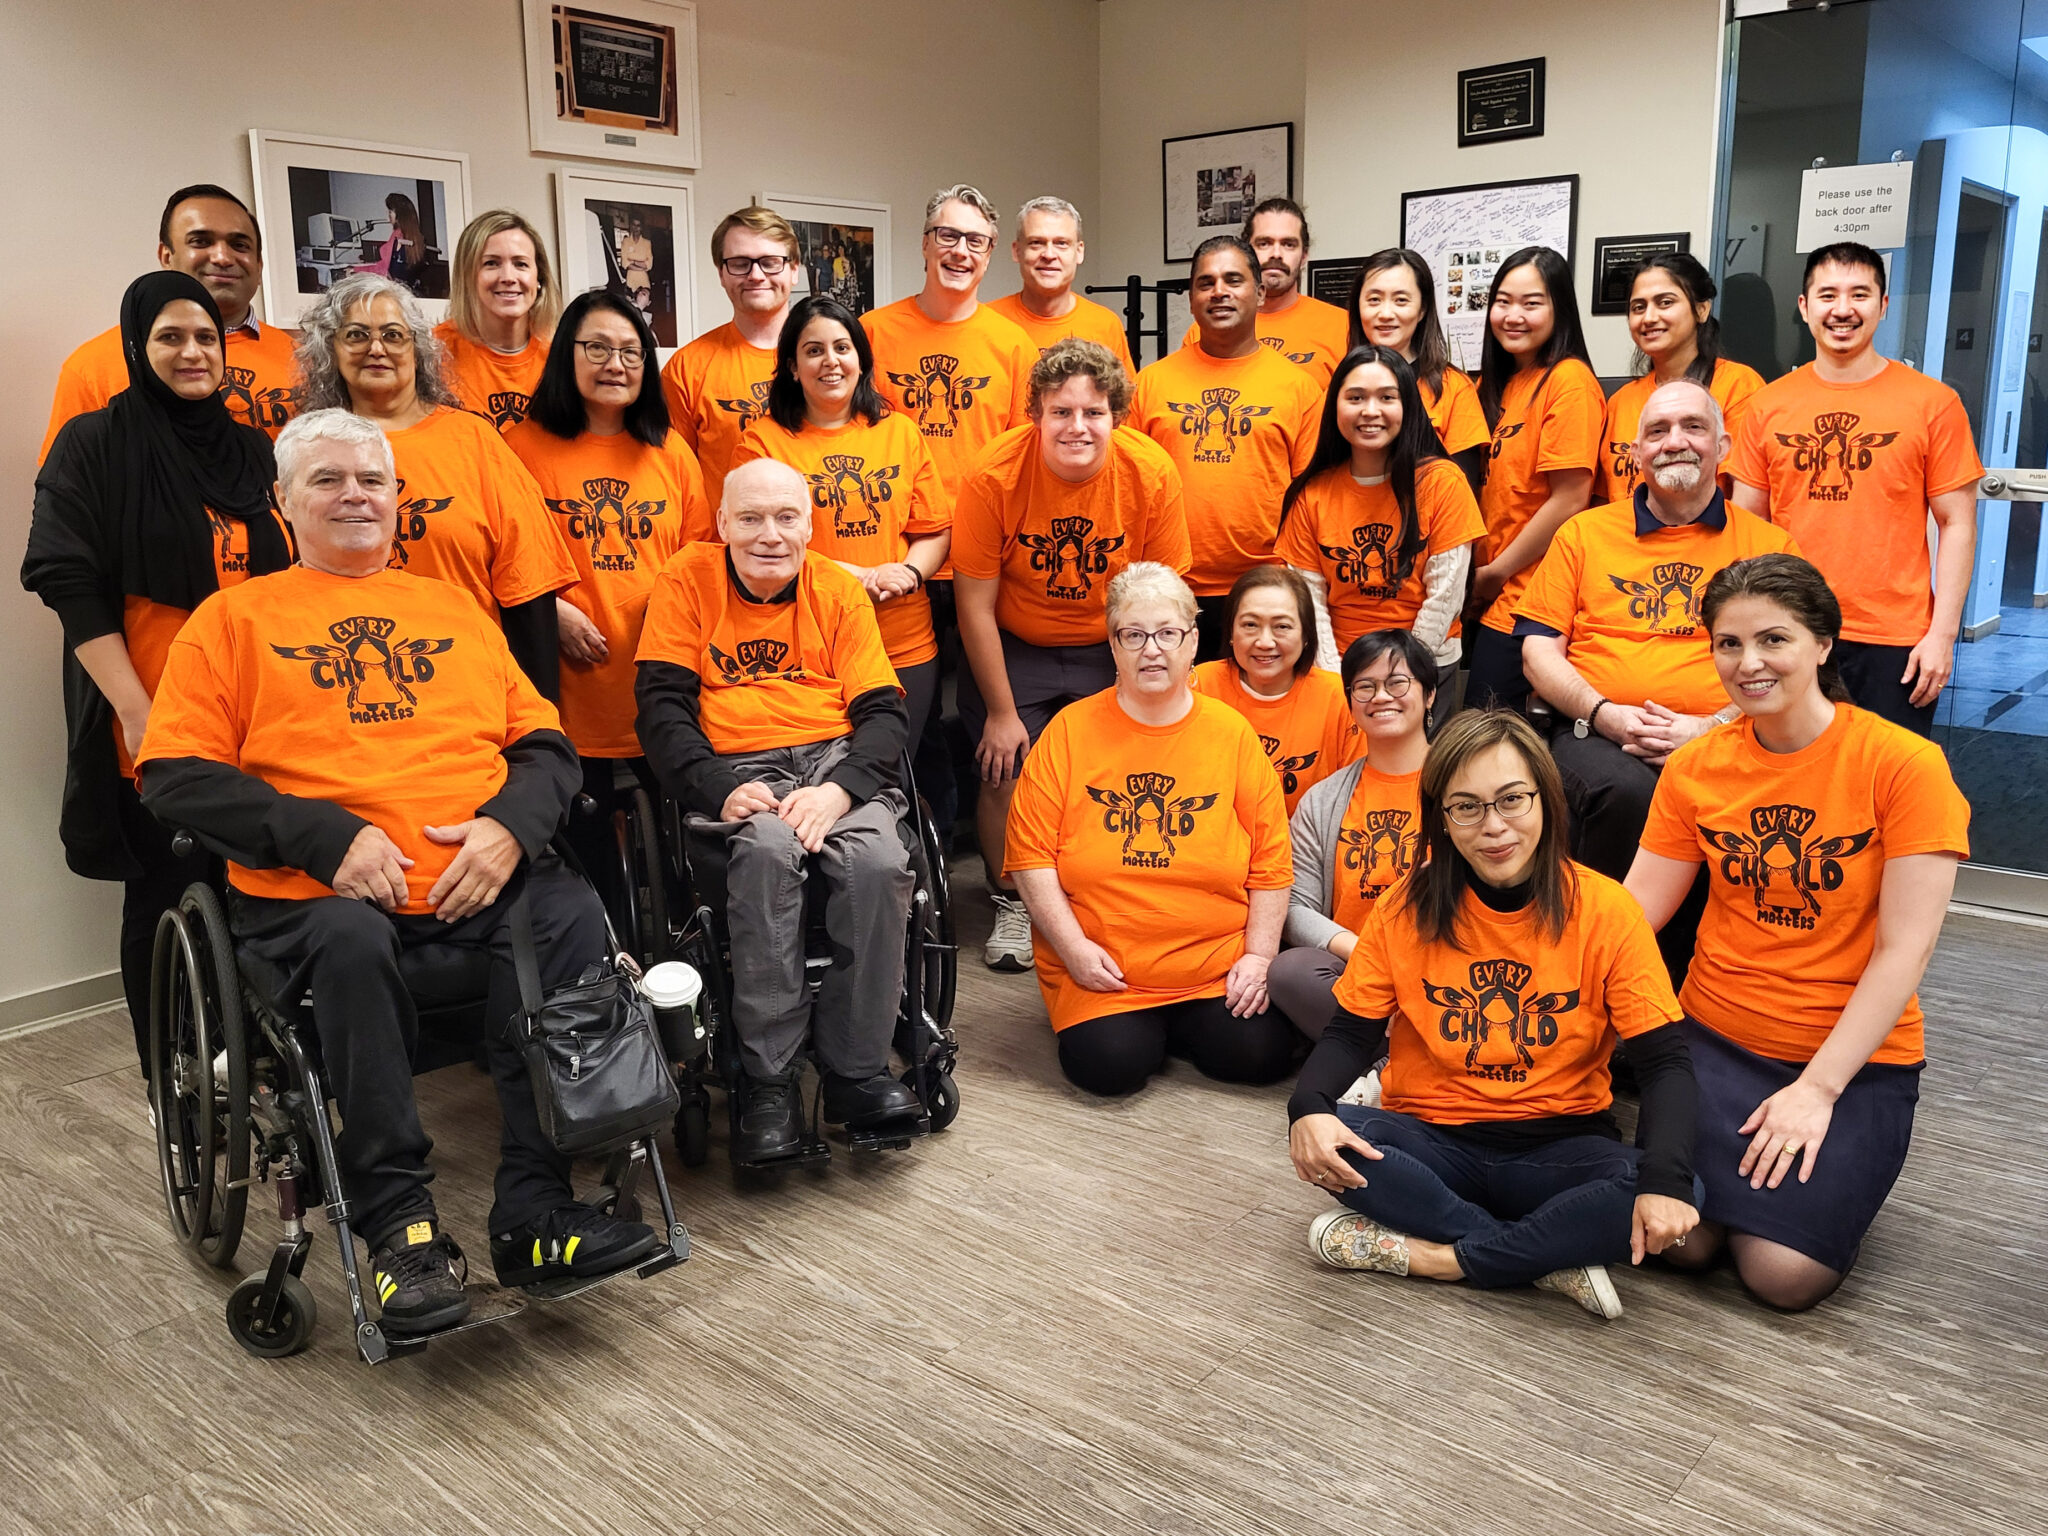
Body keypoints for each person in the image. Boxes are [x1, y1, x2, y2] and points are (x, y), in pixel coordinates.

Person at [135, 408, 660, 1333]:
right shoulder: (233, 620)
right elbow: (174, 776)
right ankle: (402, 1232)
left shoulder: (454, 608)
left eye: (371, 481)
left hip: (479, 878)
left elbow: (544, 744)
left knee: (571, 912)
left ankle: (535, 1212)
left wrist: (507, 829)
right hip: (322, 900)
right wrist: (322, 838)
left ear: (396, 499)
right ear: (283, 503)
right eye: (328, 480)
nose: (354, 496)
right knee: (347, 940)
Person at [1626, 553, 1968, 1310]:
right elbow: (1632, 913)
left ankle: (1821, 1182)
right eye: (1728, 644)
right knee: (1679, 1242)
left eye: (1772, 639)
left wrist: (1817, 1090)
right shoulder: (1695, 770)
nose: (1748, 664)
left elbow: (1903, 950)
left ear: (1822, 644)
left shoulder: (1905, 766)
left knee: (1782, 1275)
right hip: (1713, 1037)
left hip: (1850, 1056)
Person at [1288, 710, 1700, 1321]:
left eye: (1512, 800)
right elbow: (1353, 1030)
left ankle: (1439, 1256)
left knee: (1677, 1187)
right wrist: (1307, 1110)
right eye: (1467, 807)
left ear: (1545, 799)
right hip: (1433, 1137)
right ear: (1442, 819)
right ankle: (1548, 1255)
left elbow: (1664, 1062)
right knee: (1337, 1140)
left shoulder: (1608, 911)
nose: (1495, 827)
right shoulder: (1405, 906)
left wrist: (1665, 1183)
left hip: (1559, 1144)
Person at [22, 271, 295, 1078]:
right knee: (168, 894)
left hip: (259, 714)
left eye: (206, 337)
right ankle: (172, 1074)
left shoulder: (250, 448)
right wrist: (137, 714)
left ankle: (257, 1064)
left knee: (257, 888)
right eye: (170, 337)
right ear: (137, 347)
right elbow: (65, 579)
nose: (192, 352)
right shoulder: (95, 443)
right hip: (154, 707)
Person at [635, 459, 924, 1164]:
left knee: (883, 863)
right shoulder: (685, 580)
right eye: (752, 518)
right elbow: (662, 708)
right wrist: (712, 786)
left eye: (787, 517)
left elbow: (883, 716)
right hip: (737, 767)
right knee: (766, 856)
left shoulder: (836, 589)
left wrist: (839, 791)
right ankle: (768, 1081)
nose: (771, 534)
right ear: (723, 524)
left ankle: (856, 1070)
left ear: (810, 523)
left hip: (833, 763)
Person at [1517, 379, 1797, 977]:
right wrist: (1604, 713)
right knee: (1635, 796)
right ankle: (1610, 979)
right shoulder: (1584, 534)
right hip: (1596, 732)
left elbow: (1787, 663)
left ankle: (1691, 992)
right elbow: (1538, 650)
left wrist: (1710, 728)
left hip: (1732, 736)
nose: (1676, 442)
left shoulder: (1768, 548)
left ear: (1723, 446)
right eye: (1657, 432)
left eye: (1693, 427)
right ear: (1636, 454)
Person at [1005, 563, 1299, 1096]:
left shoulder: (1232, 733)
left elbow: (1271, 862)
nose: (1152, 650)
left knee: (1262, 1056)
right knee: (1108, 1067)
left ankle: (1175, 1025)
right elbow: (1030, 857)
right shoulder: (1067, 732)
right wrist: (1072, 948)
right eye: (1133, 635)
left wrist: (1258, 957)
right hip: (1105, 968)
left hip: (1215, 963)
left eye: (1168, 633)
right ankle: (1147, 1027)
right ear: (1112, 645)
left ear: (1193, 642)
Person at [952, 339, 1190, 971]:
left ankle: (1099, 894)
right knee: (1004, 766)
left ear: (1118, 416)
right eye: (1061, 412)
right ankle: (1011, 901)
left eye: (1094, 412)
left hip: (1110, 643)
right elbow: (973, 605)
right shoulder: (992, 475)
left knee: (1116, 773)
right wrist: (1002, 714)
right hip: (1015, 642)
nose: (1077, 427)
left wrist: (1146, 678)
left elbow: (1165, 598)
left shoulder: (1151, 472)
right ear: (1035, 414)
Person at [505, 291, 709, 905]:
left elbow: (700, 558)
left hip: (660, 672)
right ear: (567, 354)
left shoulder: (670, 450)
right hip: (569, 674)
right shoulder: (521, 448)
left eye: (630, 351)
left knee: (681, 853)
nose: (614, 363)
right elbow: (506, 558)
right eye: (596, 348)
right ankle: (607, 974)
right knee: (588, 852)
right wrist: (553, 612)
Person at [1728, 242, 1983, 735]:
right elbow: (1748, 528)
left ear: (1883, 305)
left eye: (1859, 294)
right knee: (1796, 779)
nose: (1842, 309)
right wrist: (1745, 632)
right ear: (1804, 307)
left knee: (1887, 787)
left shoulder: (1933, 403)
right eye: (1827, 295)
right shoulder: (1766, 406)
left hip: (1896, 640)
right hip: (1790, 627)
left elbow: (1957, 523)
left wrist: (1942, 635)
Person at [296, 273, 576, 700]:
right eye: (356, 335)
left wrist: (540, 732)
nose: (376, 348)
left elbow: (529, 591)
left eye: (393, 335)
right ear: (329, 349)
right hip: (349, 692)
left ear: (418, 349)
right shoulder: (306, 448)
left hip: (468, 687)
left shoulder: (474, 442)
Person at [730, 295, 949, 748]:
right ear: (792, 366)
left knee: (900, 773)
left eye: (842, 348)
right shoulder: (763, 442)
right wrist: (861, 577)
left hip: (902, 638)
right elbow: (759, 545)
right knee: (828, 778)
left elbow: (932, 530)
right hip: (812, 643)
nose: (830, 361)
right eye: (813, 350)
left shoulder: (900, 432)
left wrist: (907, 573)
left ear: (861, 359)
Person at [1129, 235, 1321, 658]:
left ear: (1260, 291)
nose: (1219, 291)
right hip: (1169, 588)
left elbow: (1312, 499)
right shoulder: (1150, 384)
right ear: (1192, 297)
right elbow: (1128, 489)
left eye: (1234, 280)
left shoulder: (1299, 388)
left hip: (1265, 592)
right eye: (1206, 282)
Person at [1274, 345, 1485, 690]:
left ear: (1408, 407)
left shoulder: (1442, 483)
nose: (1370, 411)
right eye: (1355, 398)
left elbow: (1445, 598)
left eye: (1387, 398)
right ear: (1335, 406)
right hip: (1338, 663)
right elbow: (1308, 600)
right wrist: (1336, 679)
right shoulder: (1311, 492)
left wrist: (1400, 677)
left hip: (1424, 662)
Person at [42, 184, 301, 458]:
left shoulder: (307, 361)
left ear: (259, 266)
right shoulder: (92, 367)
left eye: (239, 245)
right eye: (200, 241)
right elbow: (67, 488)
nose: (223, 257)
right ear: (166, 256)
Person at [1270, 630, 1436, 1044]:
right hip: (1358, 969)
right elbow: (1294, 907)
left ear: (1430, 694)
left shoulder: (1464, 785)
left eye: (1397, 683)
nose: (1381, 697)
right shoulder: (1323, 800)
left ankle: (1387, 1058)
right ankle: (1401, 1057)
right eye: (1365, 687)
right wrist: (1359, 949)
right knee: (1290, 971)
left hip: (1441, 968)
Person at [1467, 247, 1606, 712]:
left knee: (1485, 736)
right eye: (1502, 302)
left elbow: (1570, 499)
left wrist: (1495, 573)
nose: (1513, 316)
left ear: (1558, 308)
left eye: (1532, 303)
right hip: (1487, 591)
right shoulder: (1498, 382)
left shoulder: (1569, 382)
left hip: (1526, 596)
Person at [862, 184, 1034, 536]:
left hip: (981, 543)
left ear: (988, 255)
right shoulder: (870, 333)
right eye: (948, 236)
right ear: (925, 243)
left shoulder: (1014, 345)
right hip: (891, 543)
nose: (960, 251)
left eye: (975, 241)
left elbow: (1023, 460)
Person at [659, 207, 800, 507]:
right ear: (721, 274)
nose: (756, 275)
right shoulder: (687, 368)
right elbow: (672, 478)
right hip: (725, 548)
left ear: (794, 269)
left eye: (770, 262)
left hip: (823, 547)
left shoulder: (835, 362)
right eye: (740, 264)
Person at [1190, 565, 1357, 816]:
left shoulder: (1338, 697)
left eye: (1282, 626)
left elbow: (1354, 796)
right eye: (1250, 625)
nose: (1265, 642)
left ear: (1307, 635)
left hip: (1308, 848)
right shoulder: (1199, 686)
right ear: (1231, 632)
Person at [1595, 254, 1763, 503]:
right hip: (1625, 540)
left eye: (1664, 303)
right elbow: (1603, 502)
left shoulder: (1738, 386)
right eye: (1638, 307)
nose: (1649, 318)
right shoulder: (1620, 402)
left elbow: (1746, 501)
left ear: (1701, 309)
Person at [1345, 248, 1490, 489]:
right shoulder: (1341, 387)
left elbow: (1462, 490)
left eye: (1401, 300)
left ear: (1422, 309)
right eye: (1374, 300)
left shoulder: (1453, 387)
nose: (1385, 313)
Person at [1178, 198, 1350, 387]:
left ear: (1304, 256)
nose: (1276, 254)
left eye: (1288, 244)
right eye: (1264, 243)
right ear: (1245, 252)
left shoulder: (1342, 327)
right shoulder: (1205, 329)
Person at [433, 209, 561, 432]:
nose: (509, 278)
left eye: (521, 264)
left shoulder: (560, 359)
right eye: (491, 263)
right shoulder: (433, 352)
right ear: (468, 277)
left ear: (538, 278)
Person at [986, 197, 1137, 374]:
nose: (1049, 254)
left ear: (1079, 252)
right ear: (1017, 251)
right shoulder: (989, 322)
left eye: (1061, 243)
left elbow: (1122, 400)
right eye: (1036, 242)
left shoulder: (1105, 325)